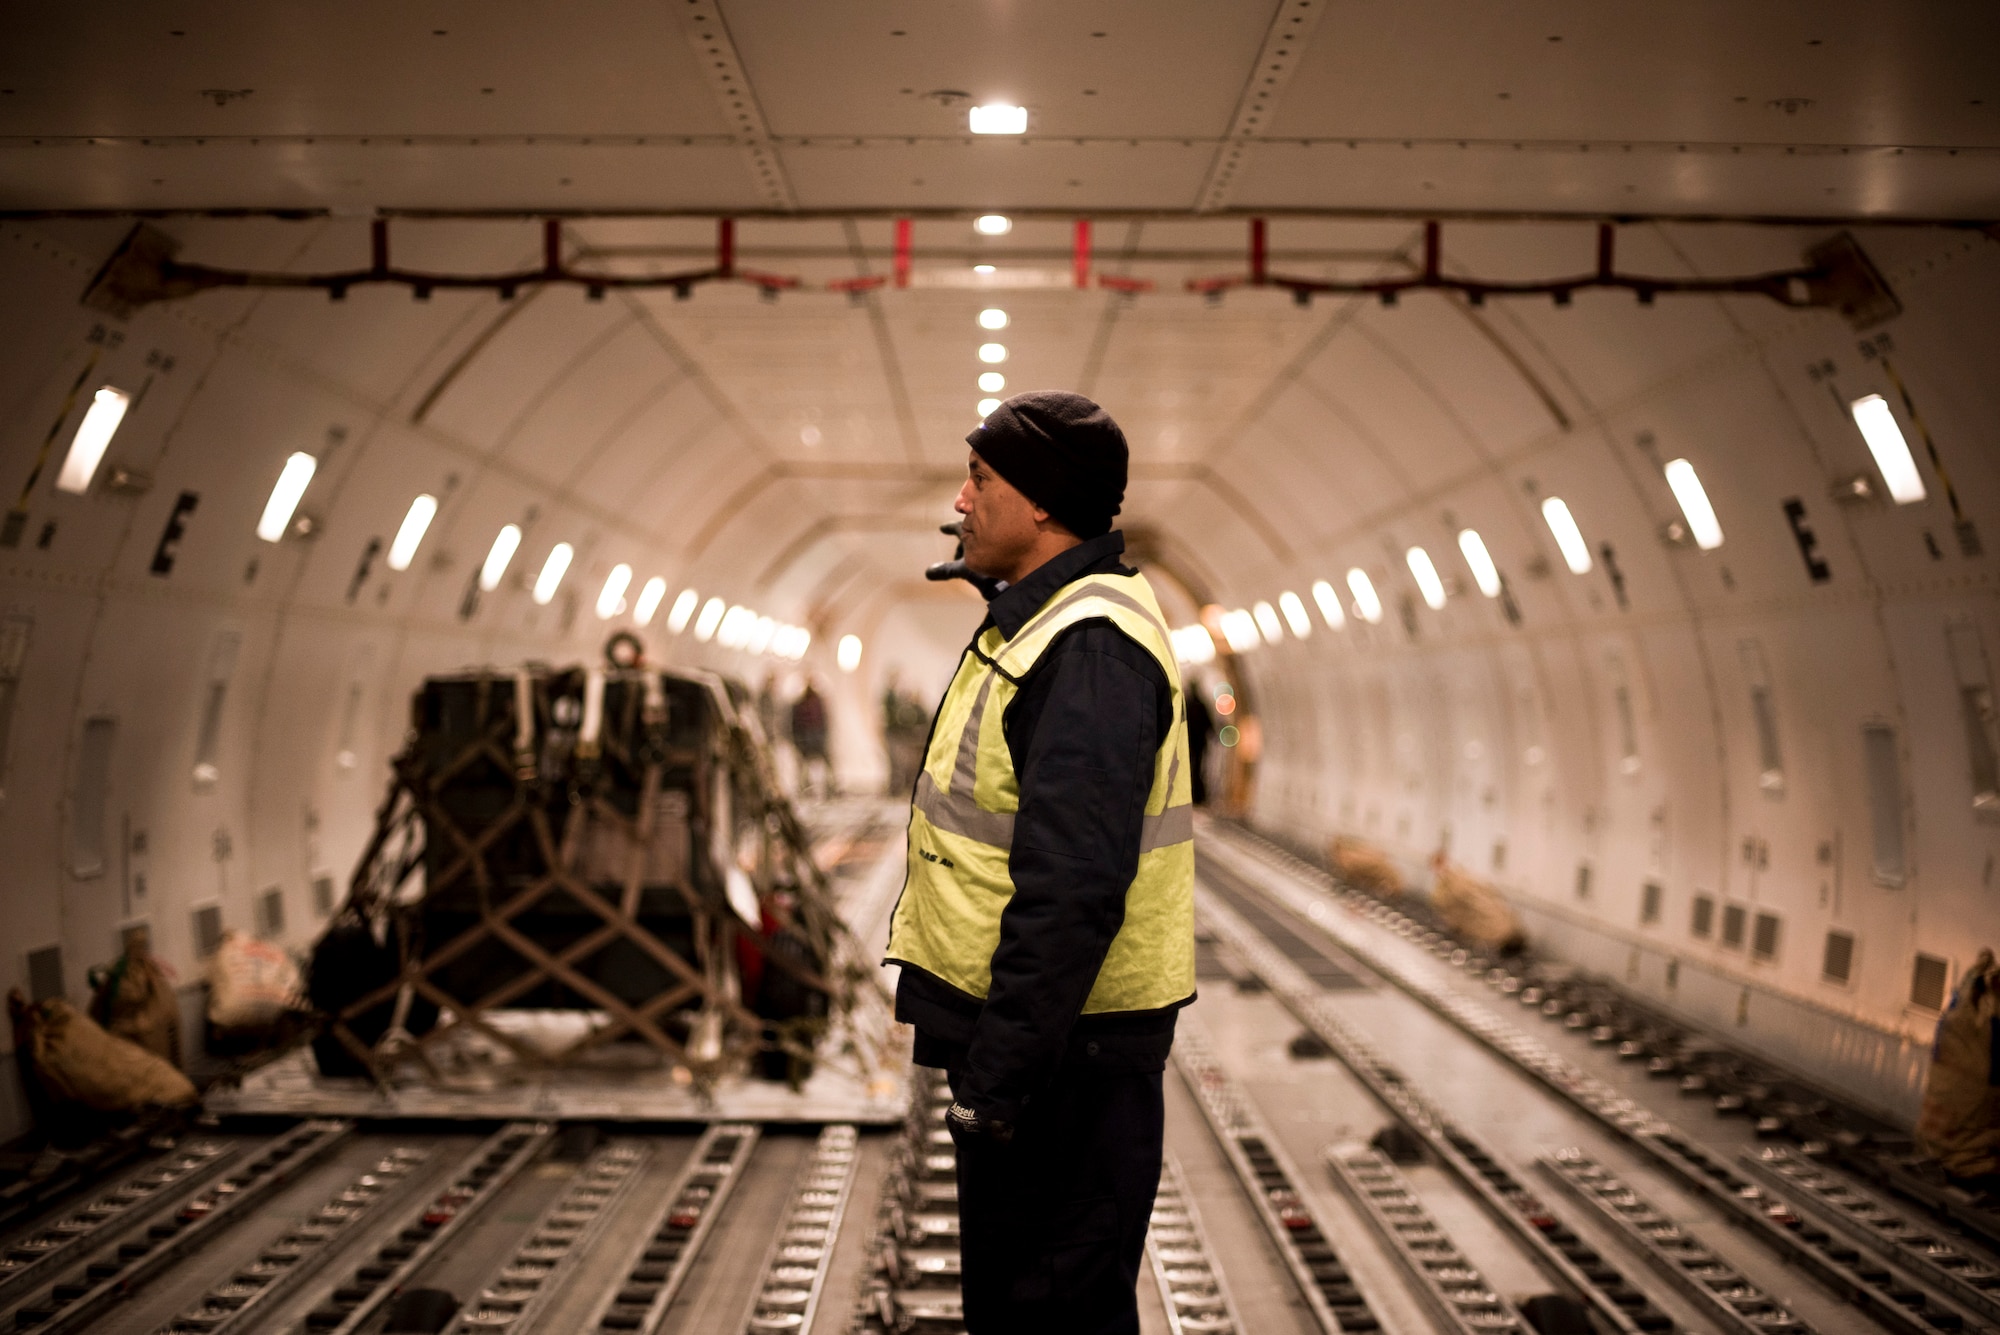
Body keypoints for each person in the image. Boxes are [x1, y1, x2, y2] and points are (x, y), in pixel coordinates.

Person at [885, 391, 1195, 1335]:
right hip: (1053, 1051)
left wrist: (998, 1084)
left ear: (1044, 505)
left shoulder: (1089, 647)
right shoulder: (1043, 626)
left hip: (1067, 1062)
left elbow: (1073, 889)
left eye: (980, 478)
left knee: (1050, 1311)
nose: (961, 500)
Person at [788, 679, 830, 797]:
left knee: (814, 766)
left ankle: (821, 789)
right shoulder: (804, 704)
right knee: (806, 767)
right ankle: (807, 788)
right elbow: (796, 722)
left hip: (813, 737)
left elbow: (823, 721)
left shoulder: (815, 703)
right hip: (809, 737)